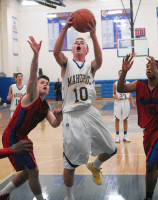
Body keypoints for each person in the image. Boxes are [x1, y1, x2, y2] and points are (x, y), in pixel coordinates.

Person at [53, 16, 117, 200]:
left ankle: (94, 165)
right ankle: (69, 196)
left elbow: (100, 59)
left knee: (111, 148)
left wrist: (94, 36)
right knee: (71, 163)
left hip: (90, 112)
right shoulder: (66, 63)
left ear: (86, 50)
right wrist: (65, 28)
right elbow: (56, 52)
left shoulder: (91, 66)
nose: (79, 43)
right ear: (72, 49)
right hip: (72, 116)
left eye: (82, 42)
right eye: (76, 43)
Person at [0, 36, 62, 200]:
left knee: (28, 172)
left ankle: (3, 194)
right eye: (42, 82)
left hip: (22, 137)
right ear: (35, 85)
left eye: (47, 84)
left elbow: (54, 124)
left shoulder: (45, 105)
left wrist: (59, 117)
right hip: (12, 136)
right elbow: (34, 74)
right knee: (33, 171)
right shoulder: (31, 96)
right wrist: (36, 54)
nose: (45, 85)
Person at [117, 54, 158, 200]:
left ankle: (148, 197)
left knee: (151, 165)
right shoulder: (140, 85)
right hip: (148, 132)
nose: (148, 68)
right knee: (153, 166)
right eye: (147, 67)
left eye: (152, 66)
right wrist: (124, 72)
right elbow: (121, 88)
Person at [113, 69, 136, 143]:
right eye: (119, 73)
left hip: (126, 101)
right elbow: (113, 94)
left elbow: (130, 95)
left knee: (125, 119)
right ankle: (117, 136)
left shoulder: (129, 83)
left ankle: (125, 136)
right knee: (117, 119)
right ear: (118, 75)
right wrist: (114, 96)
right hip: (118, 102)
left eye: (122, 73)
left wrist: (133, 104)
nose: (120, 74)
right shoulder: (115, 84)